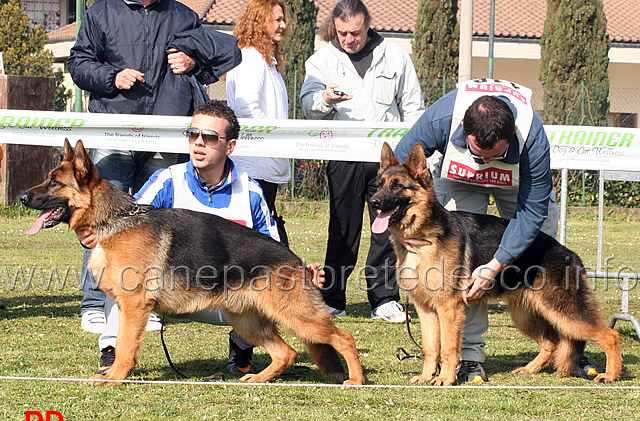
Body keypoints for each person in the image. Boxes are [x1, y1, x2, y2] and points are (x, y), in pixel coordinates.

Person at [393, 78, 597, 383]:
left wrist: (497, 263)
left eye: (494, 155)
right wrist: (400, 227)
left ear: (512, 134)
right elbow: (394, 176)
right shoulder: (442, 117)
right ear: (464, 128)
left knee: (541, 257)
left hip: (516, 185)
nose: (486, 162)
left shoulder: (532, 136)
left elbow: (532, 212)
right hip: (460, 178)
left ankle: (569, 345)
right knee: (459, 272)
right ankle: (470, 358)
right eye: (479, 152)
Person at [67, 0, 240, 334]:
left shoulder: (183, 15)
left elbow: (215, 60)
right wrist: (111, 77)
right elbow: (79, 64)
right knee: (100, 218)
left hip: (164, 135)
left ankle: (150, 302)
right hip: (113, 130)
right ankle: (94, 302)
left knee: (153, 225)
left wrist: (192, 61)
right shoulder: (100, 13)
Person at [78, 101, 279, 375]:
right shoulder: (168, 179)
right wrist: (92, 235)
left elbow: (273, 249)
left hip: (228, 290)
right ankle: (113, 353)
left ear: (229, 146)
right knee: (124, 273)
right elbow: (127, 225)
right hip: (173, 292)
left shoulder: (250, 190)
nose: (198, 143)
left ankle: (242, 349)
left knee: (261, 284)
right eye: (193, 134)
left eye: (209, 137)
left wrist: (302, 272)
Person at [300, 0, 424, 322]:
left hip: (388, 162)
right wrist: (325, 98)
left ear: (367, 25)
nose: (349, 39)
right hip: (344, 157)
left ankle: (384, 299)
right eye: (342, 33)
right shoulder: (322, 60)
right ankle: (332, 298)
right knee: (342, 229)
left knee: (387, 229)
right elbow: (307, 105)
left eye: (355, 32)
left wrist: (411, 159)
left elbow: (413, 108)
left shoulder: (396, 56)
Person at [226, 0, 291, 246]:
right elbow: (246, 108)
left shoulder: (266, 61)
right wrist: (274, 139)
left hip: (265, 160)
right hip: (255, 163)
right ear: (259, 21)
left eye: (283, 19)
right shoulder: (251, 58)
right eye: (277, 20)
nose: (283, 25)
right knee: (256, 237)